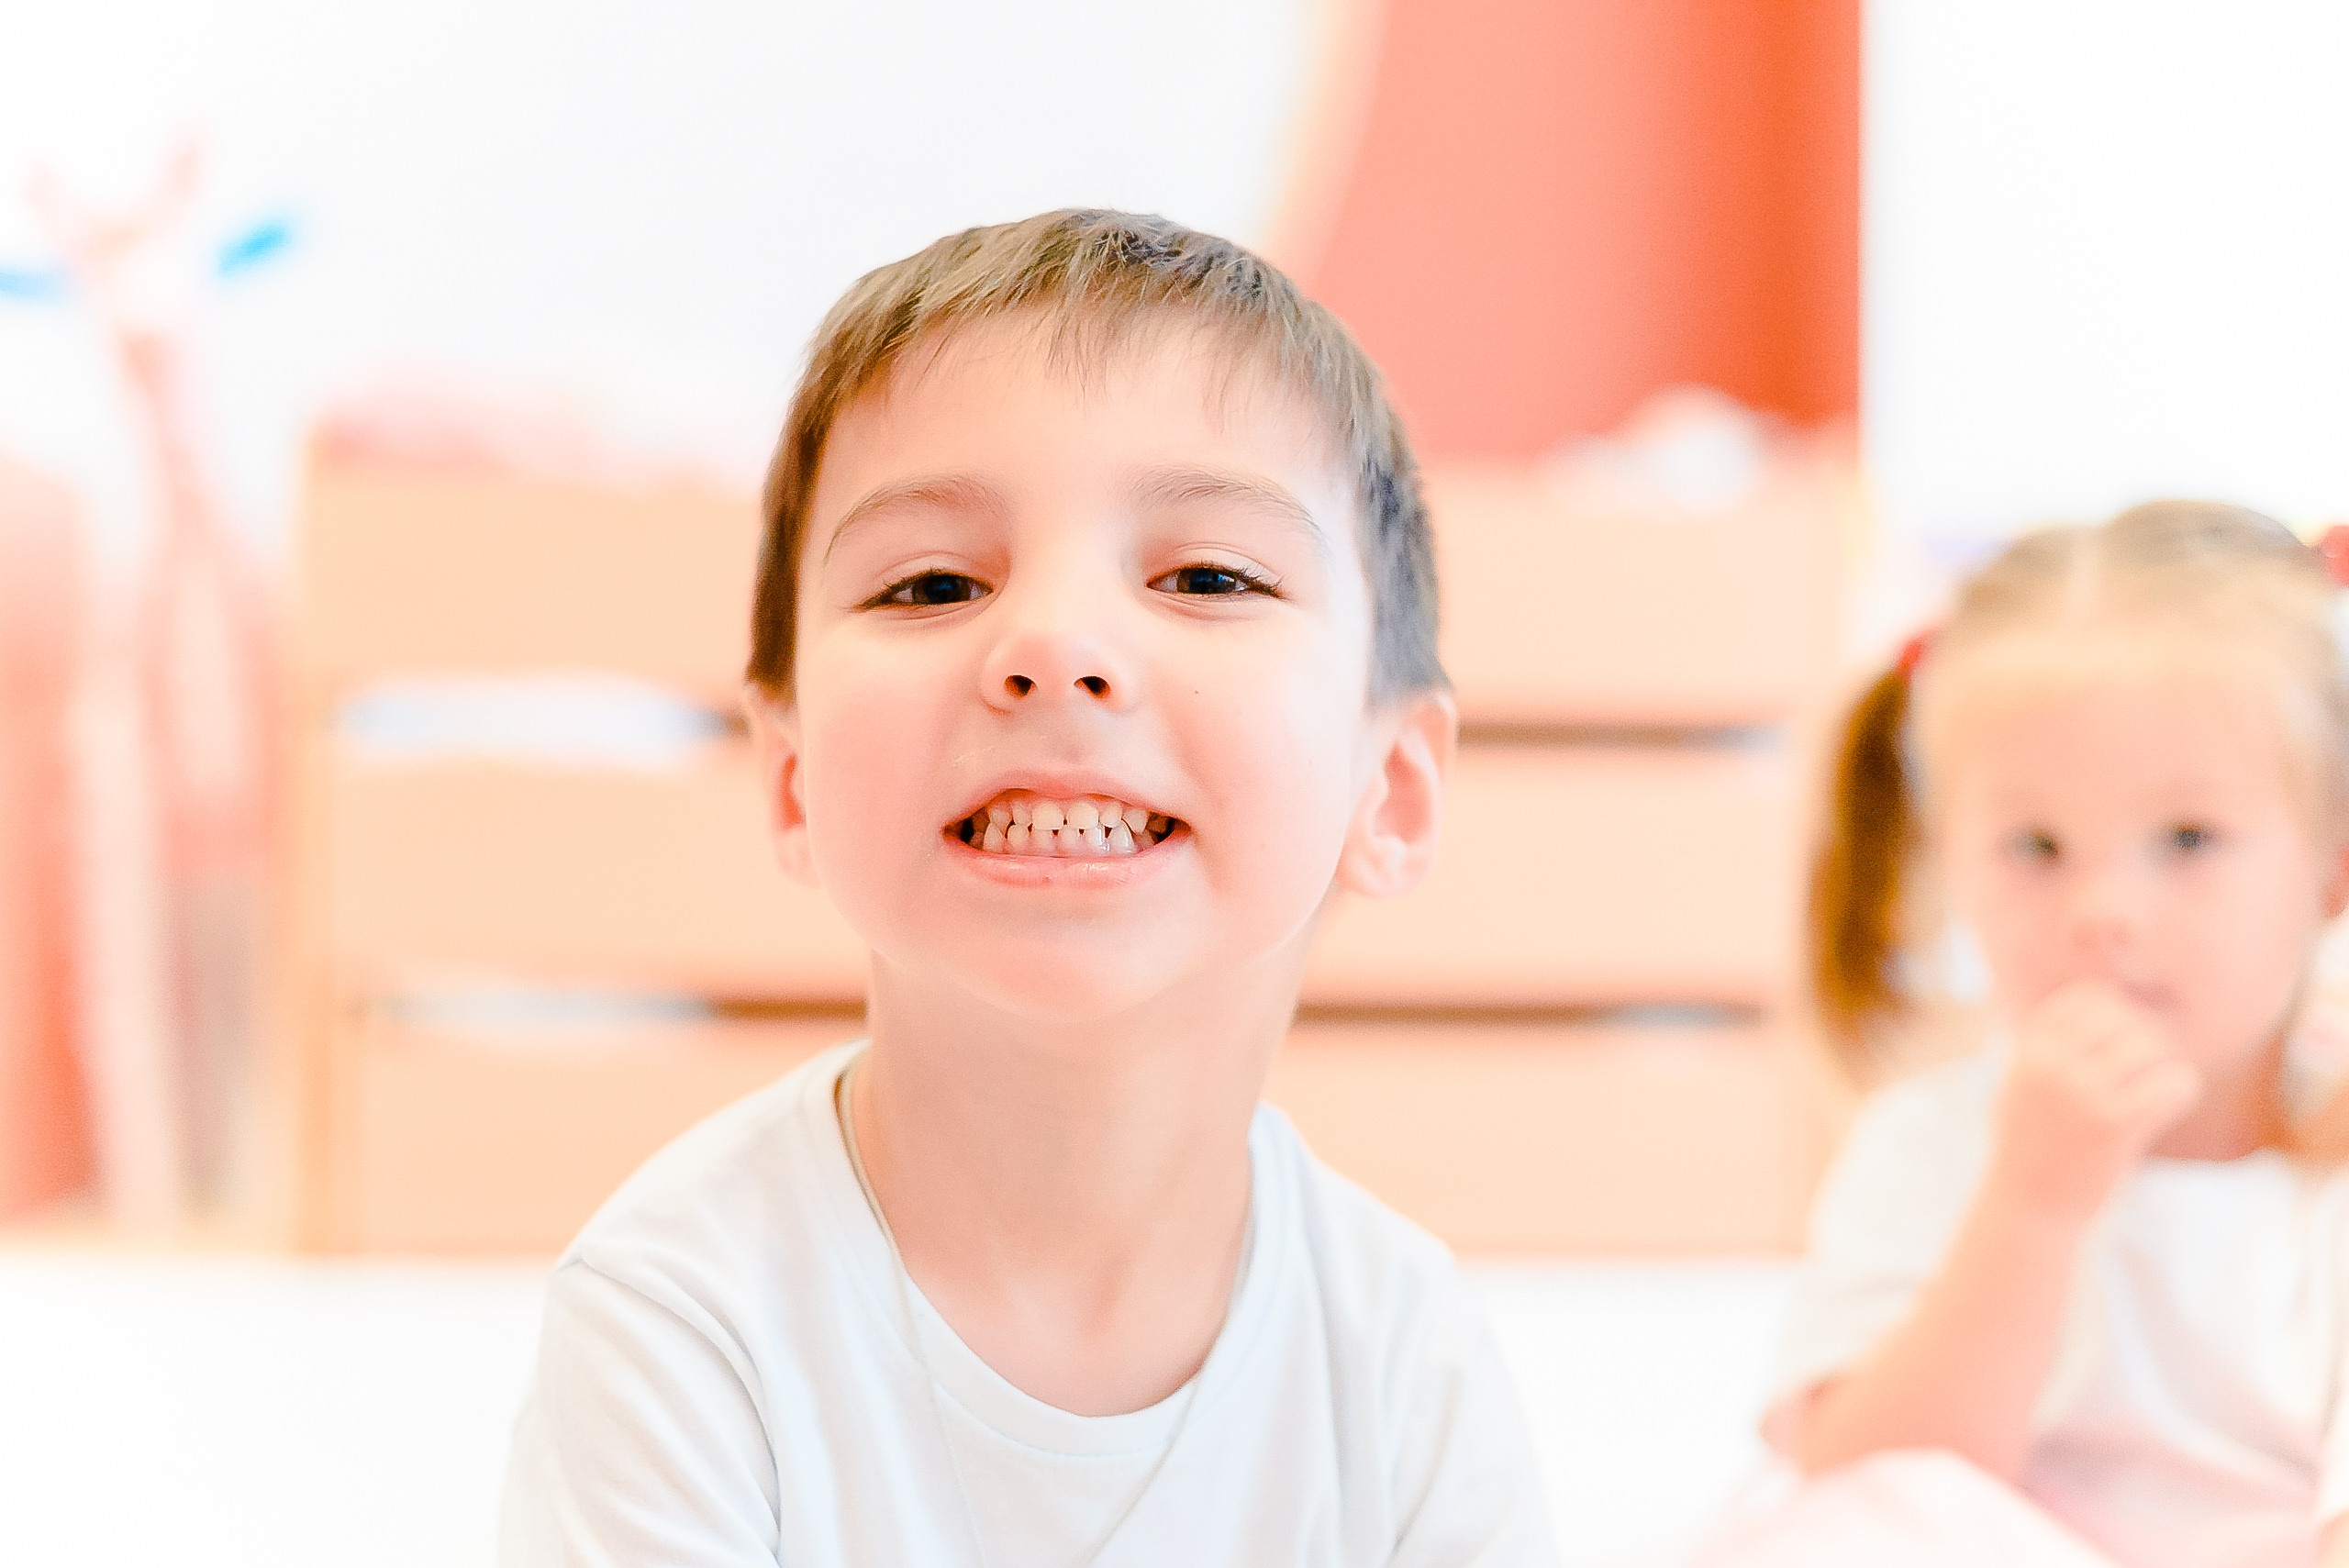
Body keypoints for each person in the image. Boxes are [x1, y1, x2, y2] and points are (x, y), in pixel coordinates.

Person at [498, 210, 1559, 1566]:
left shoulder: (1405, 1363)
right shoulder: (683, 1318)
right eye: (932, 583)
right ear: (792, 778)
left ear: (1390, 790)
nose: (1054, 643)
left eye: (1208, 575)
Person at [1703, 500, 2349, 1567]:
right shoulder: (1932, 1142)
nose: (2103, 911)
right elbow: (1868, 1476)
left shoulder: (2328, 1176)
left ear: (2330, 867)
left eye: (2187, 838)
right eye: (2035, 847)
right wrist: (2031, 1205)